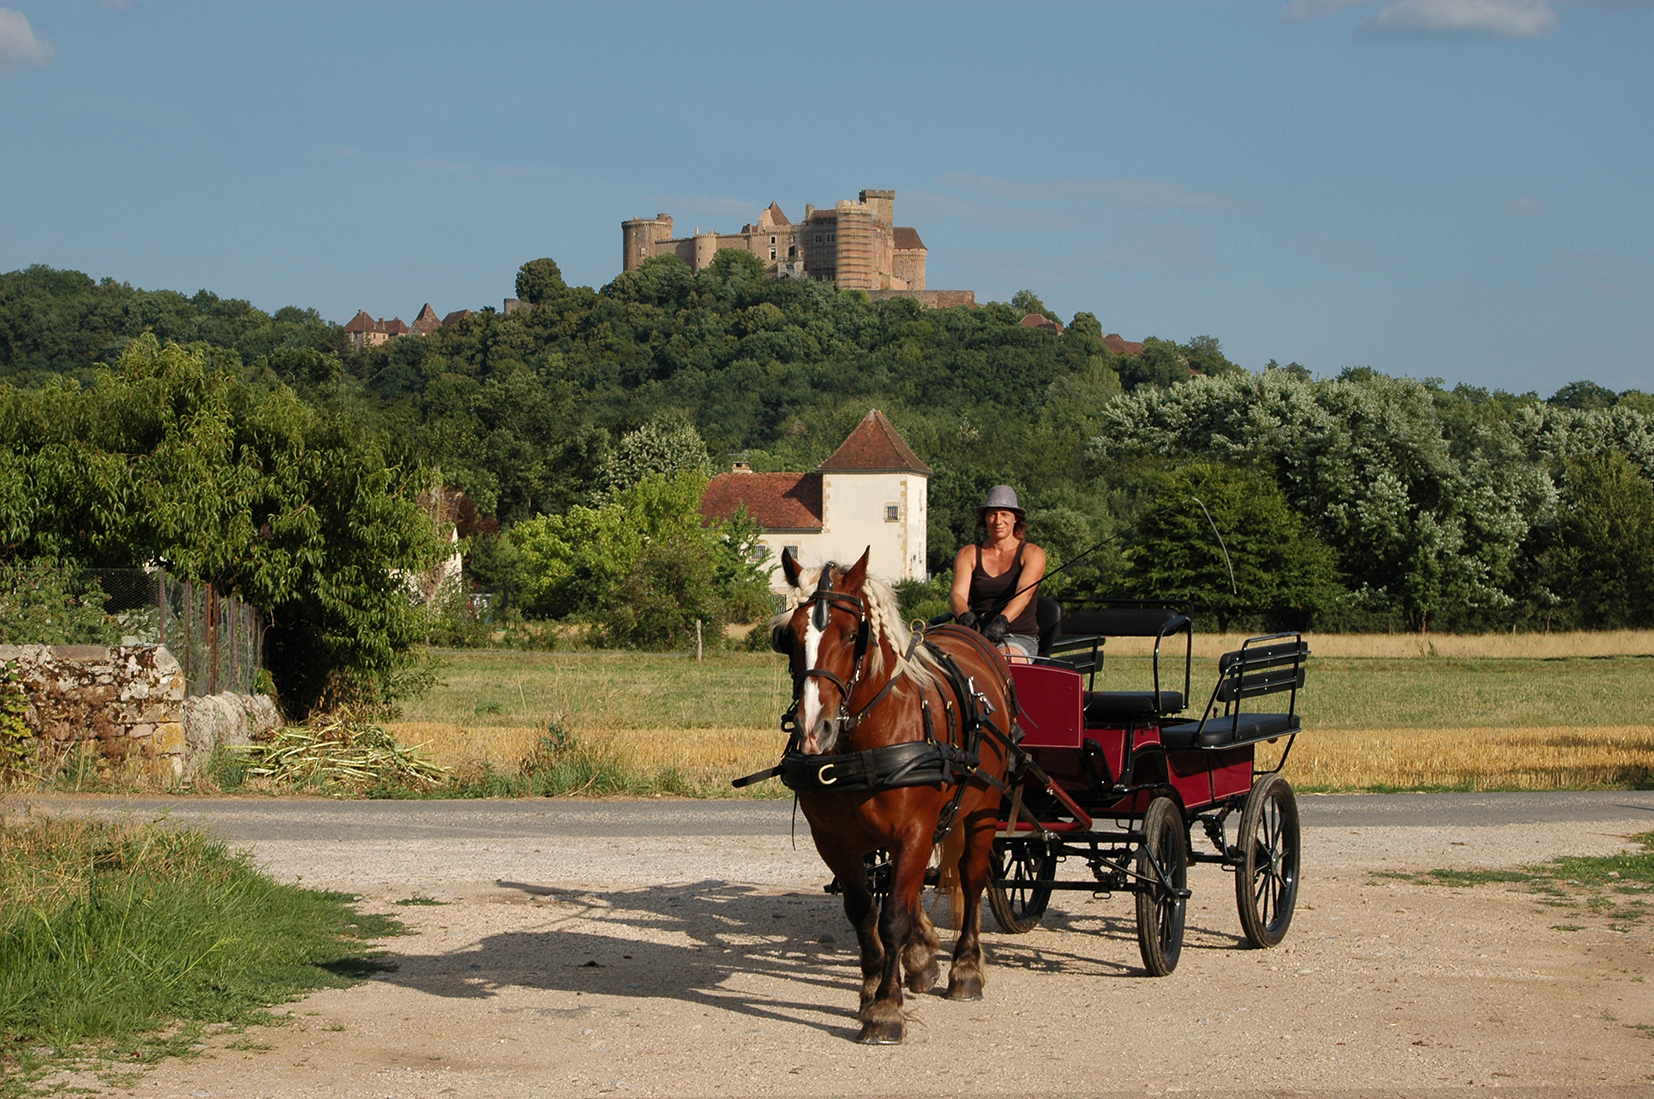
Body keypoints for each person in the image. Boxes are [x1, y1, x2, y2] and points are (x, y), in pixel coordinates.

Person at [950, 485, 1046, 662]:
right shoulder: (968, 553)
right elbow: (957, 594)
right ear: (985, 519)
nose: (998, 521)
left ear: (1015, 519)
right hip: (976, 637)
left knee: (999, 662)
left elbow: (1025, 593)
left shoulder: (1032, 553)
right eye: (993, 514)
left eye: (1004, 515)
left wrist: (1002, 621)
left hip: (1017, 637)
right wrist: (964, 615)